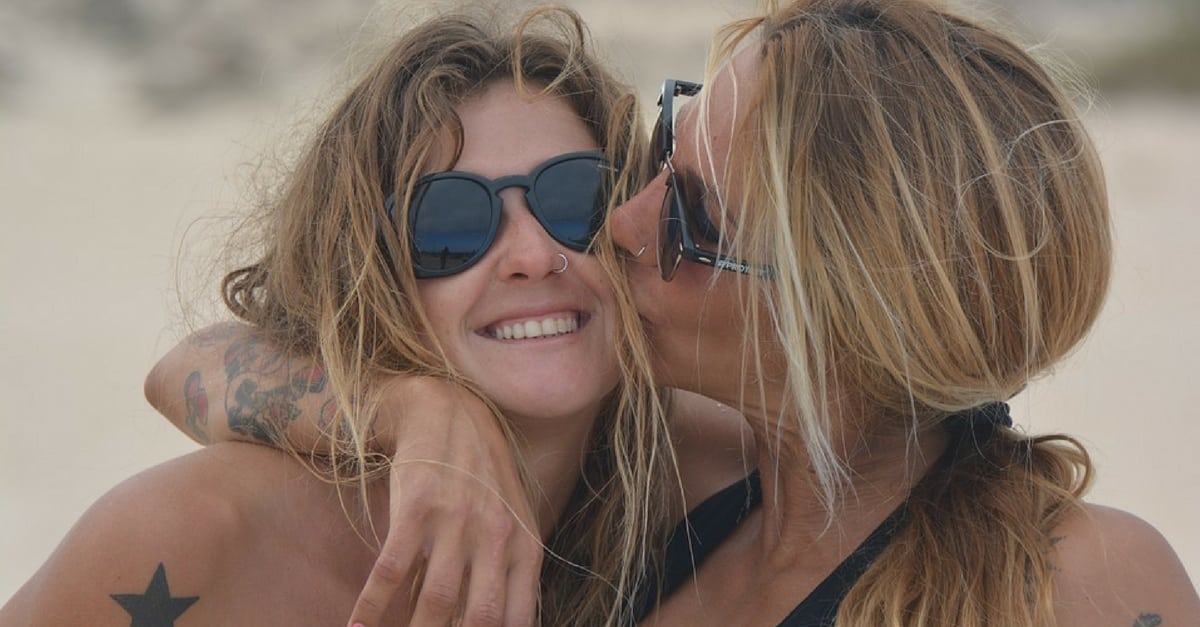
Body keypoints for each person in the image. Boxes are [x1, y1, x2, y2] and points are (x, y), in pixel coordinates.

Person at [117, 0, 1200, 626]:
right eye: (652, 162)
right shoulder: (650, 477)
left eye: (688, 214)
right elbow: (190, 365)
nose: (620, 227)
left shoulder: (1073, 580)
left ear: (835, 312)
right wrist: (416, 415)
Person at [1, 7, 746, 626]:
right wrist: (411, 406)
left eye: (575, 200)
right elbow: (173, 370)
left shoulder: (719, 483)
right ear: (366, 276)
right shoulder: (196, 536)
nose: (530, 254)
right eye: (449, 224)